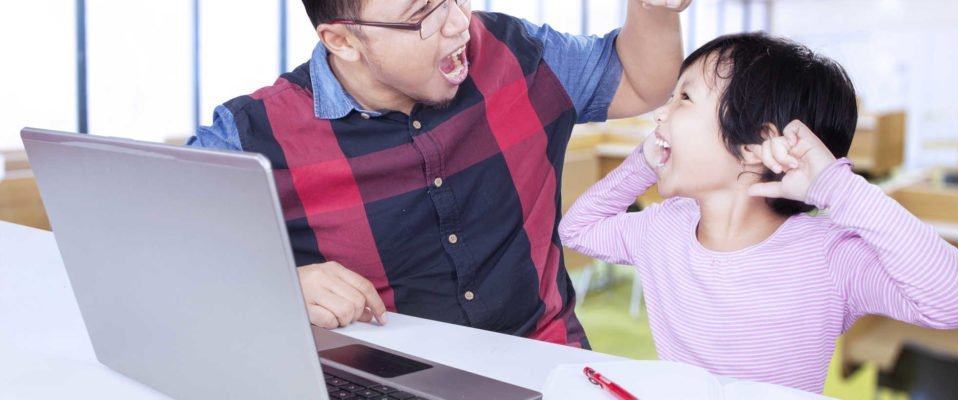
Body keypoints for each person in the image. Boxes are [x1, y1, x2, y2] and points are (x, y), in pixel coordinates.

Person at [187, 0, 692, 348]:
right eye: (423, 15)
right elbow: (145, 242)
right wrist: (277, 281)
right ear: (342, 40)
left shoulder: (514, 52)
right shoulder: (253, 134)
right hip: (377, 377)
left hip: (545, 359)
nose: (456, 24)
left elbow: (637, 78)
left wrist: (652, 8)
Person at [558, 32, 958, 391]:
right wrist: (641, 165)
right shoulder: (663, 228)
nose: (660, 114)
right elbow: (578, 230)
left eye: (684, 97)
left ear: (753, 146)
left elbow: (957, 303)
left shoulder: (828, 256)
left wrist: (835, 187)